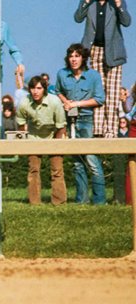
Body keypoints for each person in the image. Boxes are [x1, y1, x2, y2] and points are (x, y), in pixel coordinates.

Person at [74, 0, 132, 138]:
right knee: (98, 91)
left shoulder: (117, 1)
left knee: (113, 92)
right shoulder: (88, 1)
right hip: (94, 51)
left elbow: (127, 21)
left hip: (113, 52)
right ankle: (98, 130)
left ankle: (111, 130)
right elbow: (78, 18)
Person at [56, 43, 106, 205]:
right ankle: (81, 200)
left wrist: (76, 104)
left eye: (77, 56)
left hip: (86, 120)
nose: (74, 59)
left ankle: (100, 200)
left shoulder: (93, 75)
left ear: (83, 58)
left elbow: (99, 99)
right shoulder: (62, 74)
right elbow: (58, 91)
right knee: (77, 163)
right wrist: (65, 102)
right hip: (69, 121)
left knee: (91, 160)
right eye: (71, 56)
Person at [16, 75, 67, 205]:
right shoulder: (24, 103)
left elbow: (61, 126)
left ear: (44, 89)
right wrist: (25, 142)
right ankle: (34, 203)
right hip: (33, 137)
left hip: (54, 135)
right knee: (33, 170)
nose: (35, 91)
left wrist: (56, 146)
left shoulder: (55, 101)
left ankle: (59, 202)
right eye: (32, 88)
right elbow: (21, 124)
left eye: (39, 88)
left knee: (57, 170)